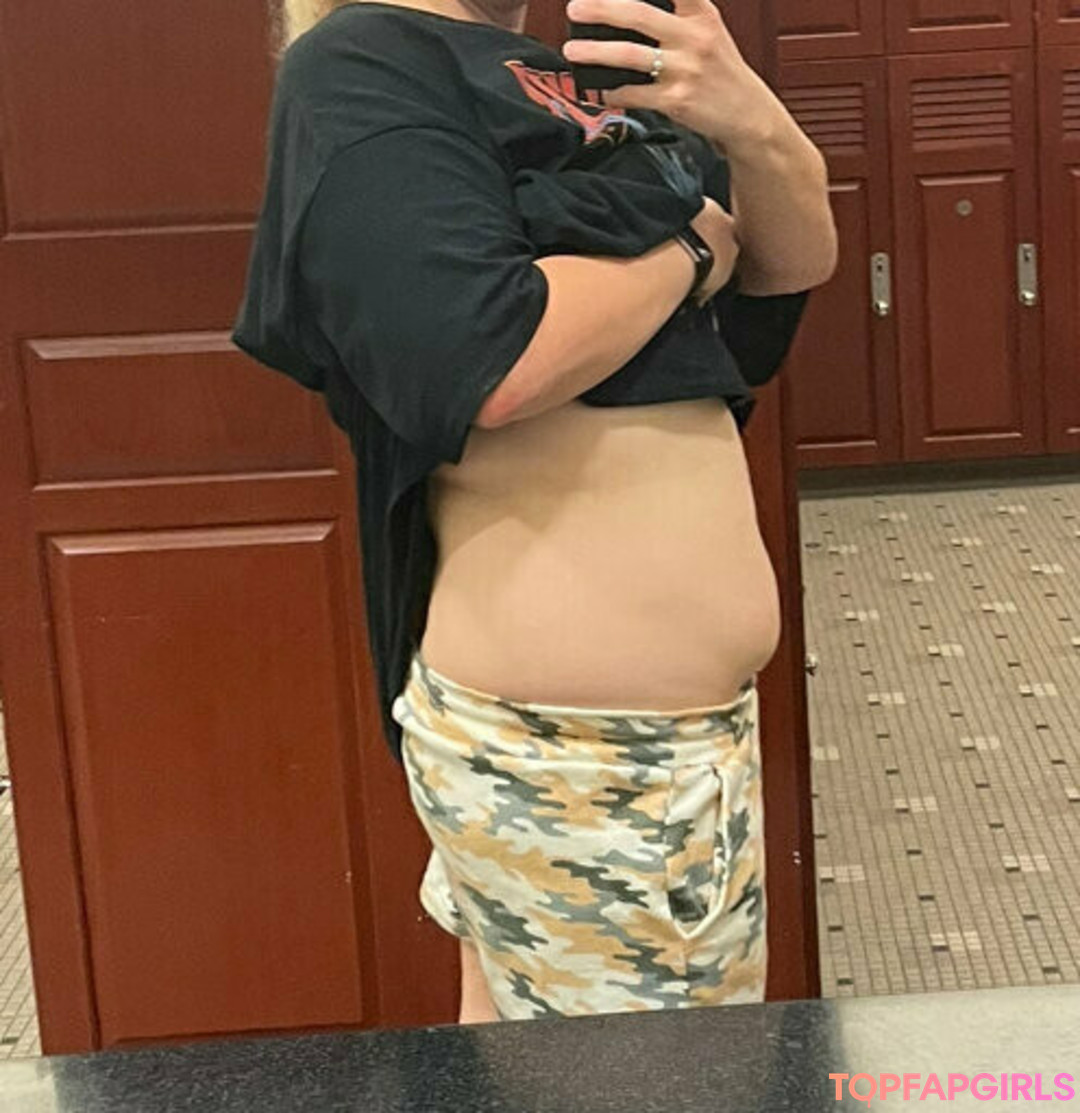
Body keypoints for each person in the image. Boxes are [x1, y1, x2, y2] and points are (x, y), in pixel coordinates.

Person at [232, 0, 837, 1024]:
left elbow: (786, 270)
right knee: (658, 1088)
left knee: (532, 1069)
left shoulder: (566, 74)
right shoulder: (364, 59)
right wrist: (688, 249)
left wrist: (756, 124)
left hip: (651, 747)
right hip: (580, 756)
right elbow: (492, 361)